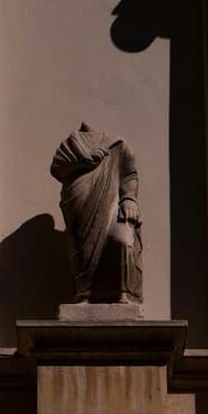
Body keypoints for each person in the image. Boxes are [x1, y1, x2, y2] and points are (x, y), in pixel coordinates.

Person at [50, 123, 143, 304]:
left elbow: (129, 175)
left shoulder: (118, 144)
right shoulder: (70, 143)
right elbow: (57, 168)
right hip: (79, 199)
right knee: (83, 247)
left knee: (122, 240)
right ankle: (85, 293)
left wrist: (129, 198)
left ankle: (124, 292)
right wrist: (82, 163)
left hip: (112, 204)